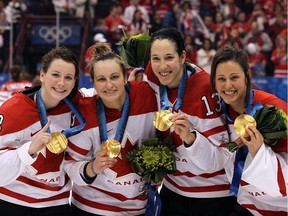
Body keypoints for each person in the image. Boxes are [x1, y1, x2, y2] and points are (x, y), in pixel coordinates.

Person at [143, 28, 236, 216]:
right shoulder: (151, 80)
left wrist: (190, 138)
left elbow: (219, 159)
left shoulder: (205, 89)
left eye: (169, 57)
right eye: (156, 58)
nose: (162, 66)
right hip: (172, 193)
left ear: (183, 56)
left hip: (211, 198)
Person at [190, 44, 287, 215]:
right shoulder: (222, 111)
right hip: (248, 205)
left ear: (247, 76)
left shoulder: (271, 108)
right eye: (221, 79)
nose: (228, 86)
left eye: (234, 77)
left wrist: (259, 152)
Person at [64, 46, 158, 215]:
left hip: (136, 210)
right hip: (90, 209)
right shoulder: (85, 112)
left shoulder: (147, 96)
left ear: (125, 78)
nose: (109, 85)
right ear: (92, 82)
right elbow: (70, 166)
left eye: (114, 77)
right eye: (101, 79)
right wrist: (91, 168)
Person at [0, 46, 85, 216]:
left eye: (68, 77)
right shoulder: (14, 110)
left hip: (56, 204)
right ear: (42, 75)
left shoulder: (79, 105)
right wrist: (29, 150)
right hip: (12, 203)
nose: (61, 83)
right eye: (55, 75)